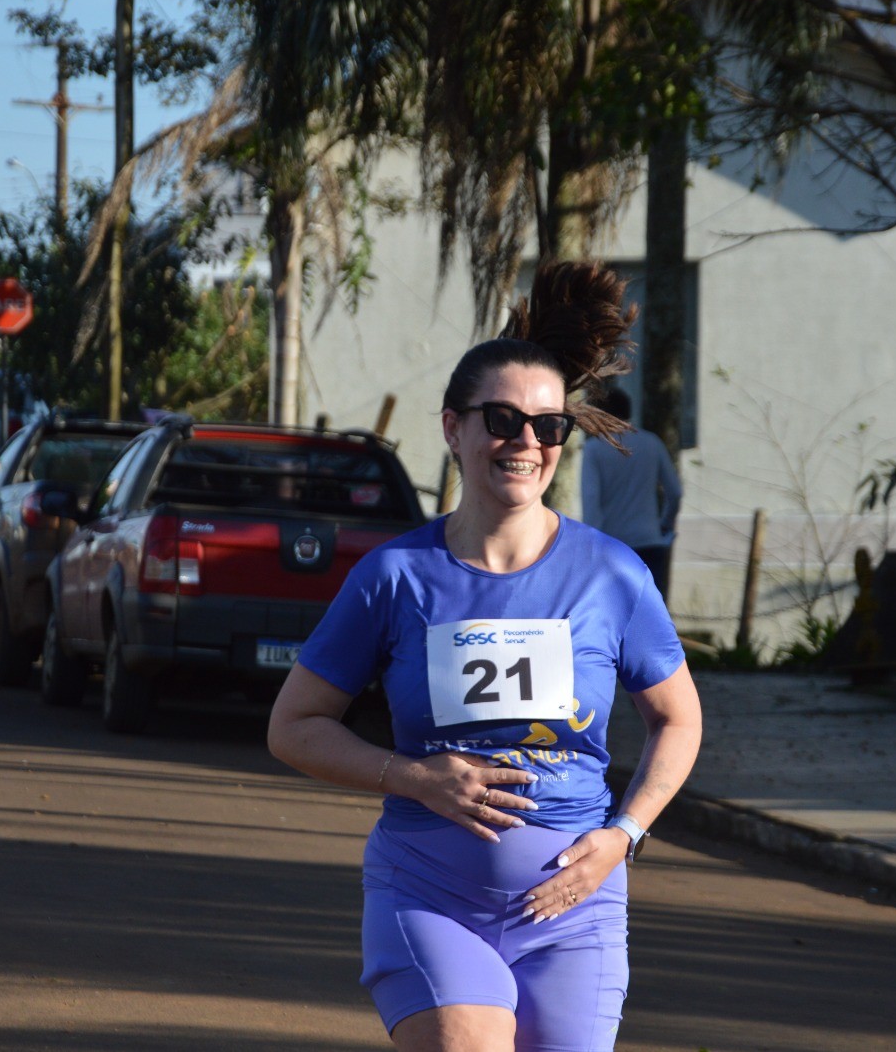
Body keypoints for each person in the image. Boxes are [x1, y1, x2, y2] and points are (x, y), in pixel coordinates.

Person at [268, 260, 704, 1052]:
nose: (525, 442)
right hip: (429, 896)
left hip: (576, 910)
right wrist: (411, 774)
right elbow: (293, 724)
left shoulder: (612, 574)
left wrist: (624, 835)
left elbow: (679, 719)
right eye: (502, 419)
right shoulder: (396, 575)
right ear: (453, 428)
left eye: (547, 425)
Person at [580, 388, 682, 602]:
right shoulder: (652, 442)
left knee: (614, 618)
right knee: (651, 617)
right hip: (650, 543)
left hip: (612, 548)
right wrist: (664, 524)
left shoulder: (594, 449)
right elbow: (675, 492)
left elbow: (591, 504)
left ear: (600, 415)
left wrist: (592, 550)